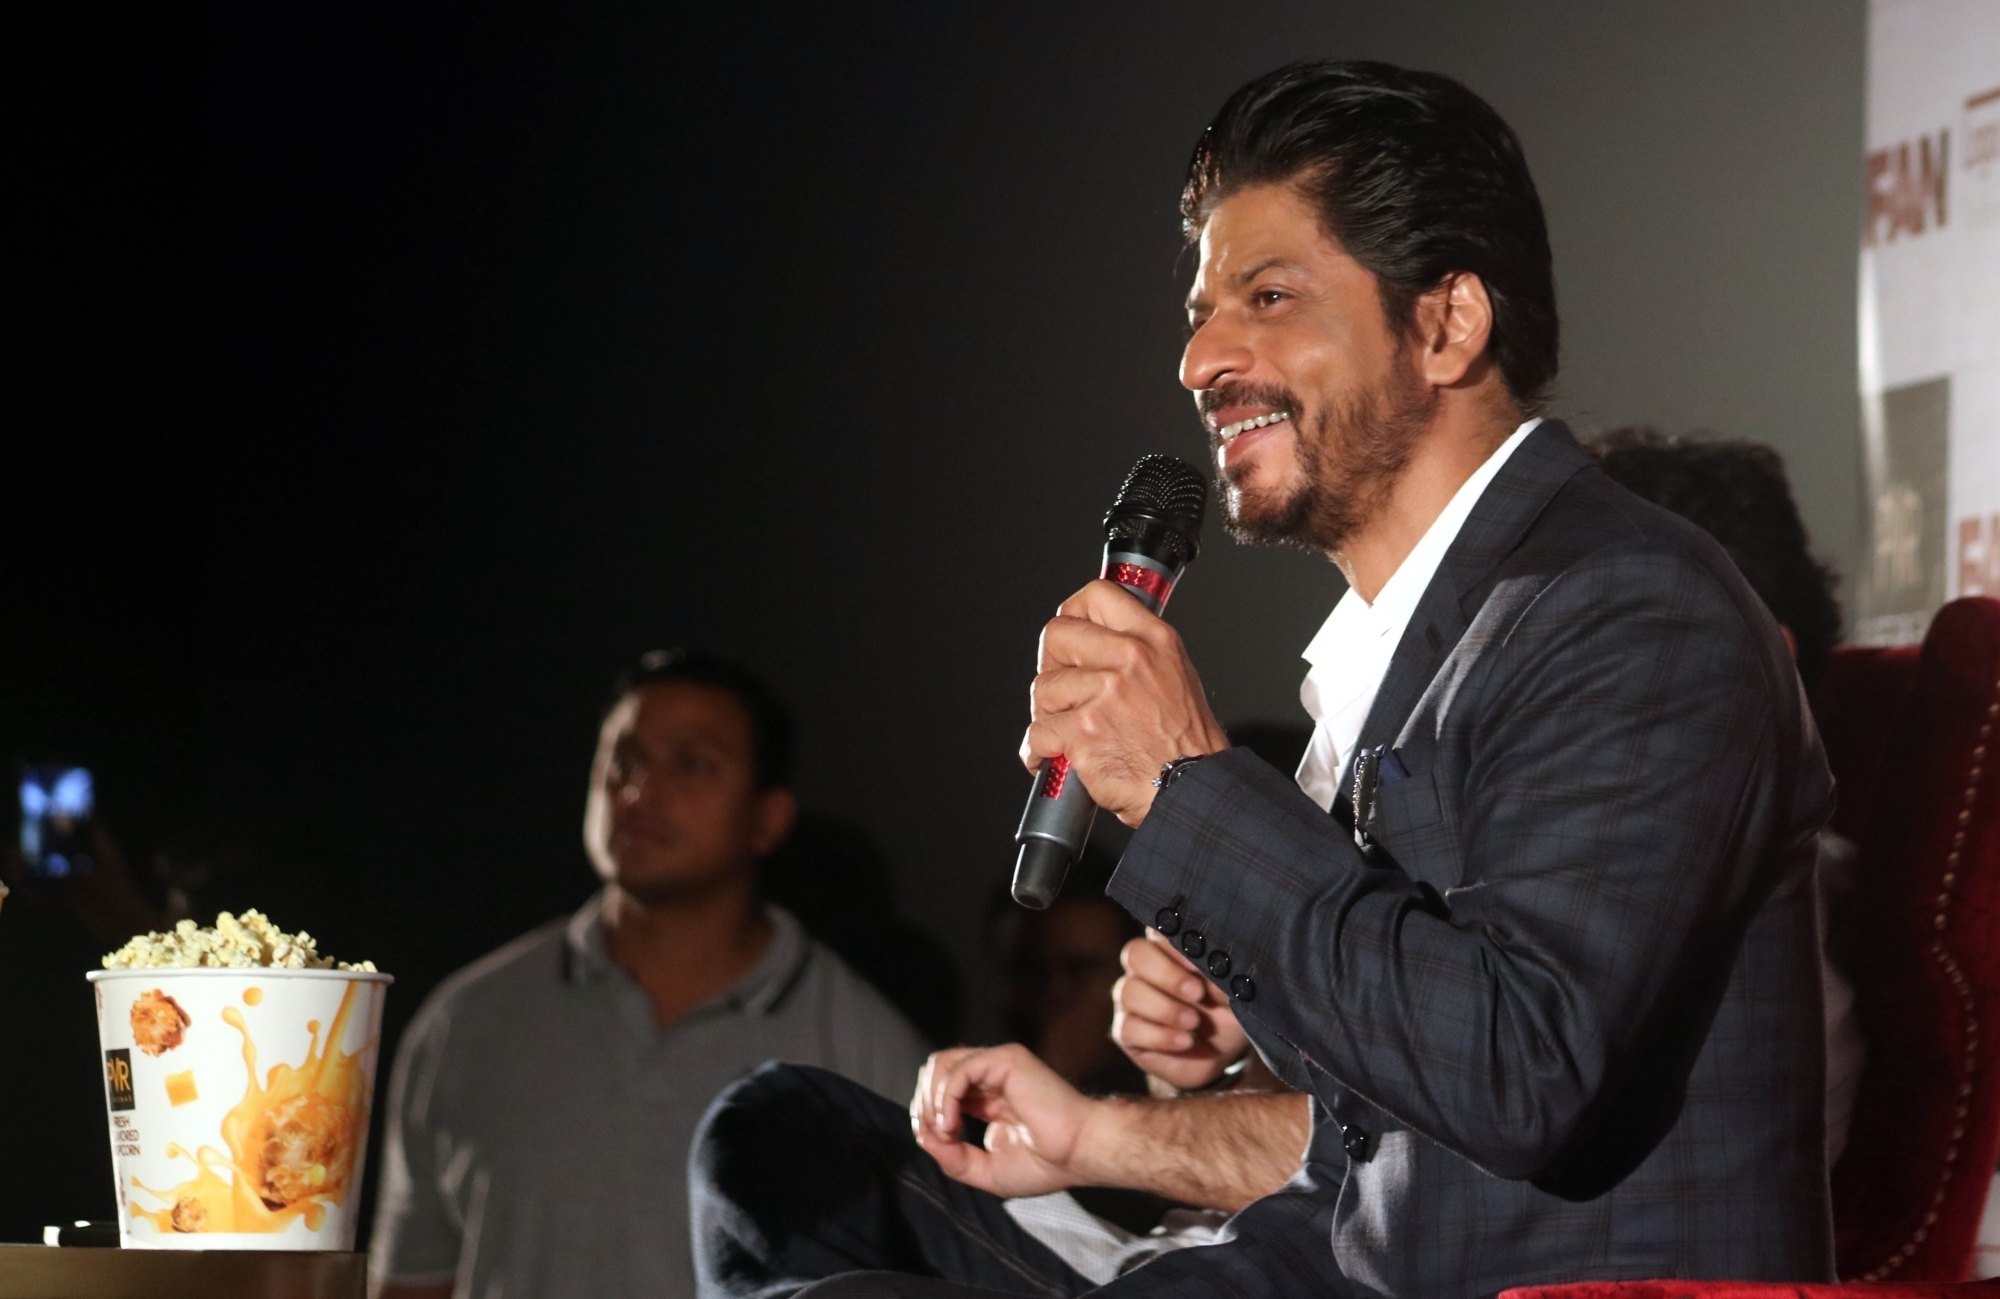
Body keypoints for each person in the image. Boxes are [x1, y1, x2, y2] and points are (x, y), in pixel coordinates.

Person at [691, 59, 1836, 1298]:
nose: (1200, 359)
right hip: (1318, 1264)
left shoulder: (1625, 606)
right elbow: (1370, 1146)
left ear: (1446, 323)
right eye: (1201, 311)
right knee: (782, 1146)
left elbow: (1522, 1074)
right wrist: (1236, 1037)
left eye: (1269, 296)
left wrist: (1185, 787)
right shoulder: (1414, 642)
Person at [369, 649, 929, 1299]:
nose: (639, 791)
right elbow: (413, 1279)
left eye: (692, 764)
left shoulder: (864, 1052)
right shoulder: (468, 1020)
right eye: (623, 760)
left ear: (768, 817)